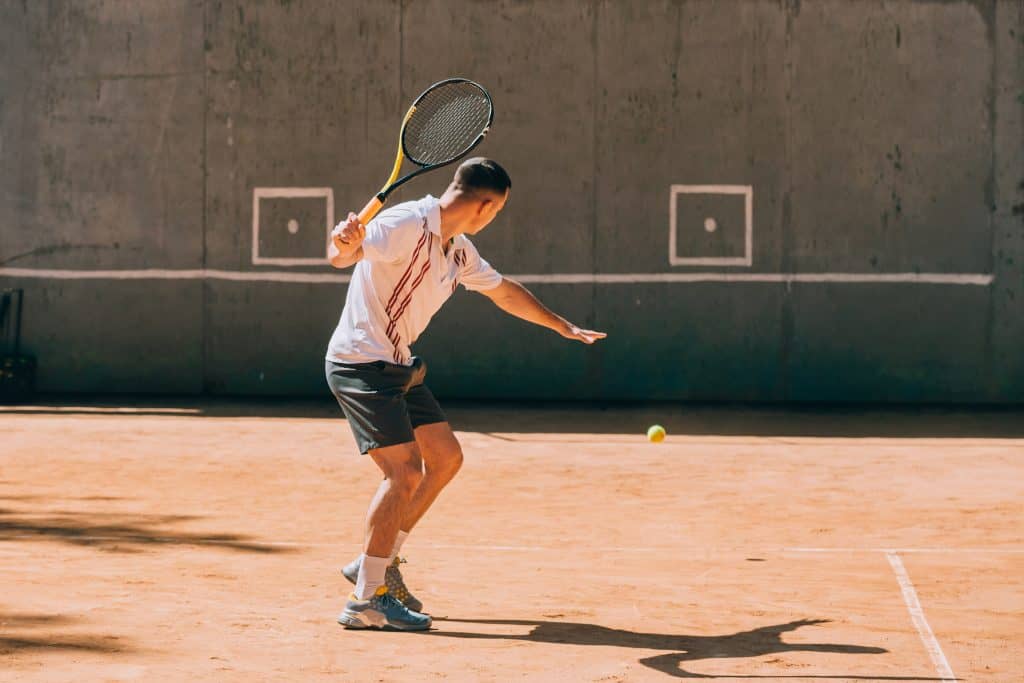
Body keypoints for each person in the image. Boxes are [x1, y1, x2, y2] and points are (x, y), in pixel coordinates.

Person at [325, 157, 606, 630]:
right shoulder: (404, 223)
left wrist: (560, 325)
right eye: (498, 210)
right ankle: (365, 601)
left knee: (446, 457)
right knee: (404, 473)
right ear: (484, 205)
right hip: (360, 364)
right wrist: (343, 240)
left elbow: (503, 292)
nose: (495, 217)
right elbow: (341, 256)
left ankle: (375, 561)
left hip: (396, 364)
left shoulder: (458, 251)